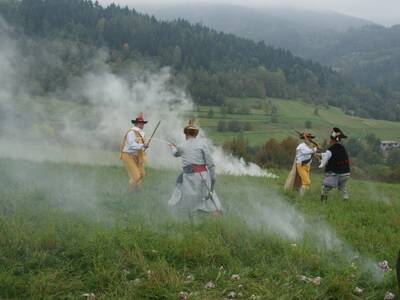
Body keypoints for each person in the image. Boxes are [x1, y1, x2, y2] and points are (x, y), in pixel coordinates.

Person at [168, 120, 222, 218]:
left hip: (190, 177)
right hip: (202, 176)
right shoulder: (202, 145)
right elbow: (210, 164)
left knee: (189, 197)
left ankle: (186, 215)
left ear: (186, 134)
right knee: (209, 198)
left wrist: (172, 147)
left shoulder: (182, 146)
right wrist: (212, 178)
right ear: (195, 134)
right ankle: (209, 218)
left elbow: (174, 153)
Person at [319, 127, 350, 201]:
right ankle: (346, 204)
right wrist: (320, 155)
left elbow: (323, 164)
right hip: (346, 174)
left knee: (324, 188)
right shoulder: (342, 148)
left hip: (336, 174)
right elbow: (331, 156)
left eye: (330, 139)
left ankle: (323, 204)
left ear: (332, 139)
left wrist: (320, 162)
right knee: (343, 189)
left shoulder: (330, 150)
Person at [120, 113, 149, 192]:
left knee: (142, 174)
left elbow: (140, 147)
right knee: (136, 176)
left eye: (142, 123)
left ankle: (135, 188)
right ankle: (131, 190)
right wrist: (143, 145)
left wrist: (144, 146)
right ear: (136, 124)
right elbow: (132, 145)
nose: (141, 125)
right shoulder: (131, 133)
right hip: (128, 156)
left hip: (137, 156)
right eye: (140, 123)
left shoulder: (142, 134)